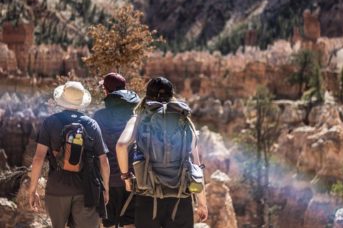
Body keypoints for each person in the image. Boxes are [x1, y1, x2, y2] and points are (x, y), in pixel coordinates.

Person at [116, 77, 208, 228]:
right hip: (180, 197)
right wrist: (202, 202)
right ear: (172, 96)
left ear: (147, 95)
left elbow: (121, 145)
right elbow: (196, 165)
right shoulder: (184, 120)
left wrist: (126, 178)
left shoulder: (139, 118)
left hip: (148, 196)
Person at [28, 81, 110, 228]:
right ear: (81, 102)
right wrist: (106, 189)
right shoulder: (91, 124)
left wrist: (32, 190)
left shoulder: (50, 122)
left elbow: (38, 158)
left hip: (56, 189)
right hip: (86, 190)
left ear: (62, 100)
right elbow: (103, 161)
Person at [94, 73, 140, 228]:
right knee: (130, 222)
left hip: (108, 180)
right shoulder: (134, 116)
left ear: (106, 92)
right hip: (132, 178)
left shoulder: (98, 117)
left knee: (108, 223)